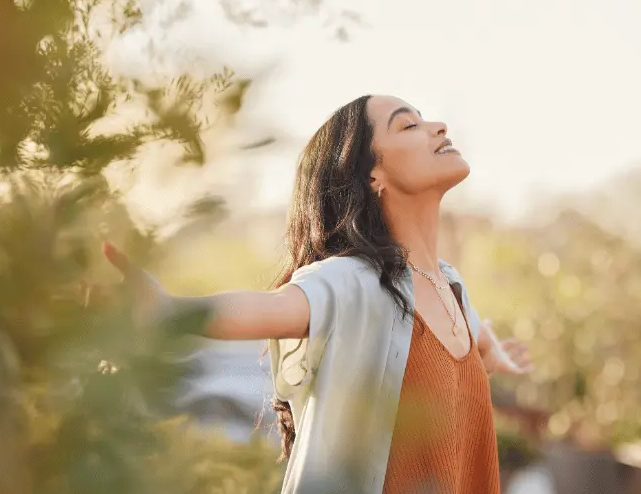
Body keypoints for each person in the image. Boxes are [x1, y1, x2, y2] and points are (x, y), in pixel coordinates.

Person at [101, 95, 533, 494]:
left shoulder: (451, 289)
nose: (438, 126)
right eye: (408, 126)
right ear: (372, 175)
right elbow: (274, 308)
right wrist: (169, 311)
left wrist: (491, 355)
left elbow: (471, 337)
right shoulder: (354, 281)